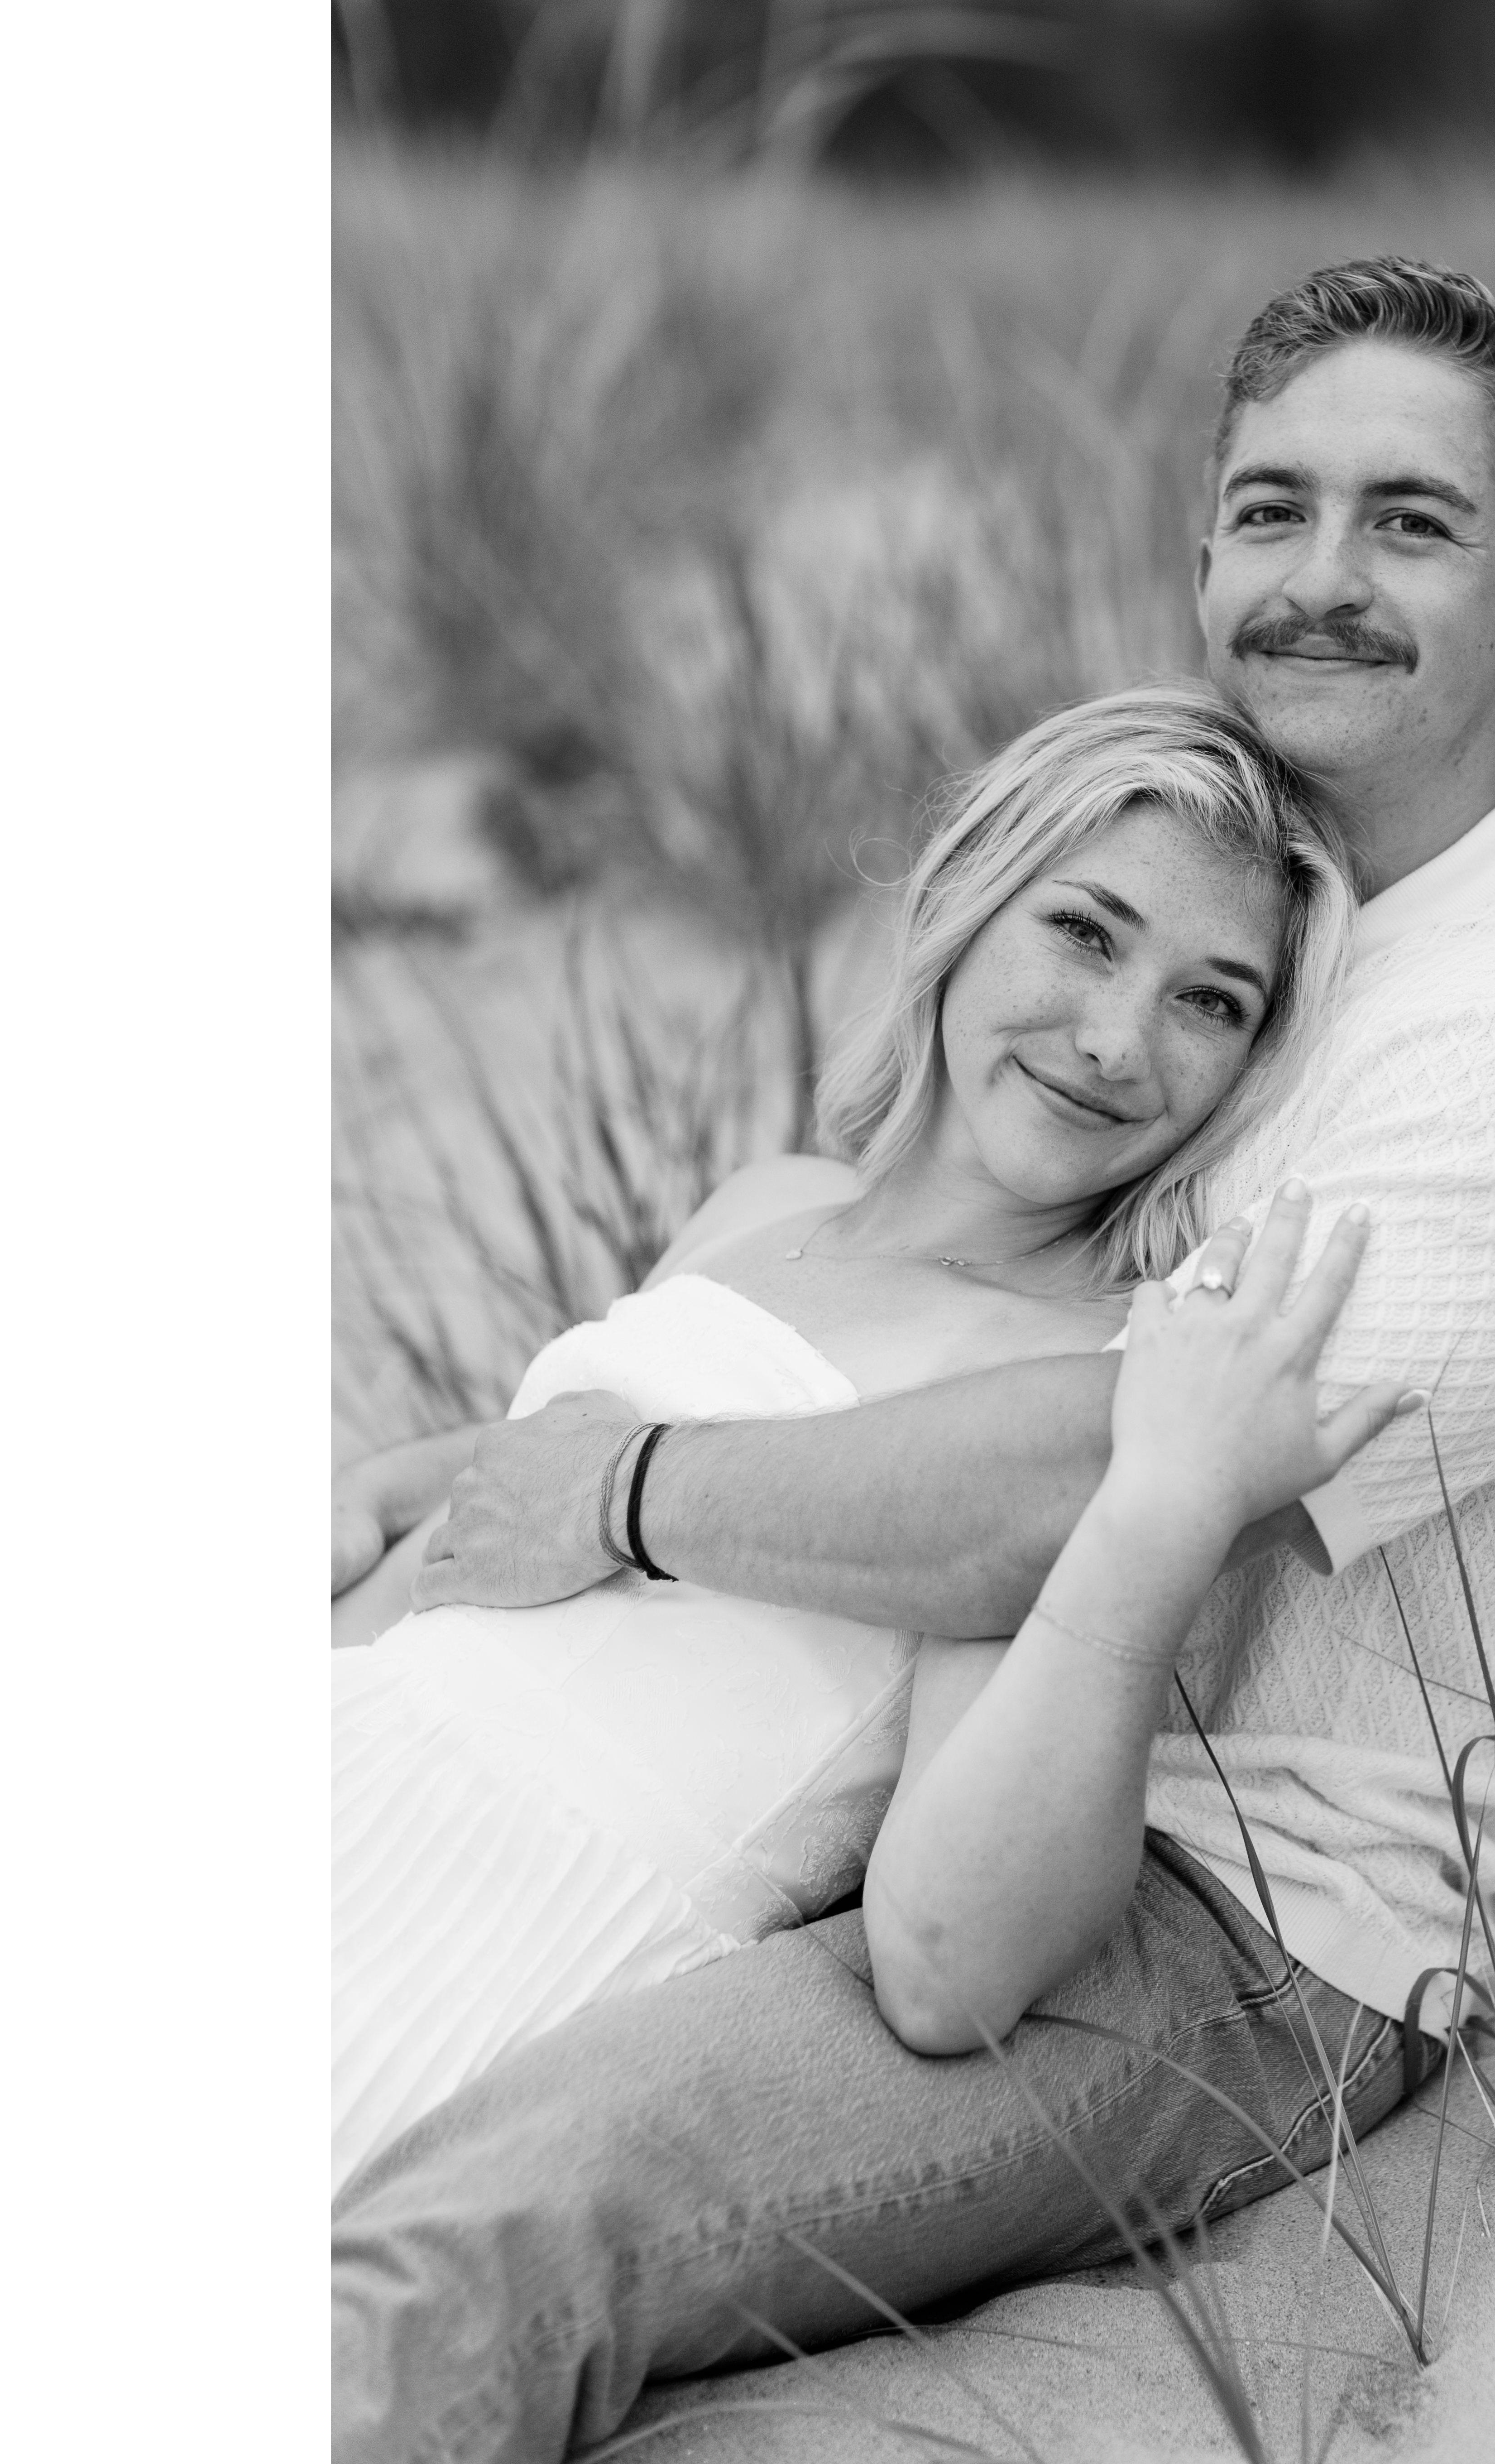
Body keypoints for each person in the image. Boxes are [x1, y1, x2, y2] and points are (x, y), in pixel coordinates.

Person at [334, 256, 1495, 2464]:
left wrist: (610, 1486)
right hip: (921, 1748)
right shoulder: (1255, 921)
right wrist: (453, 1473)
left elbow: (1086, 1473)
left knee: (527, 2199)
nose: (1323, 576)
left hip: (1242, 1908)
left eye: (1412, 523)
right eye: (1273, 509)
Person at [330, 682, 1370, 2191]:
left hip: (475, 1927)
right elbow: (555, 1479)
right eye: (1085, 933)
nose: (1114, 1040)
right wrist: (394, 1485)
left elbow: (954, 1962)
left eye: (1211, 1001)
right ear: (965, 895)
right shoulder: (771, 1204)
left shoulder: (1082, 1378)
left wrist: (1161, 1515)